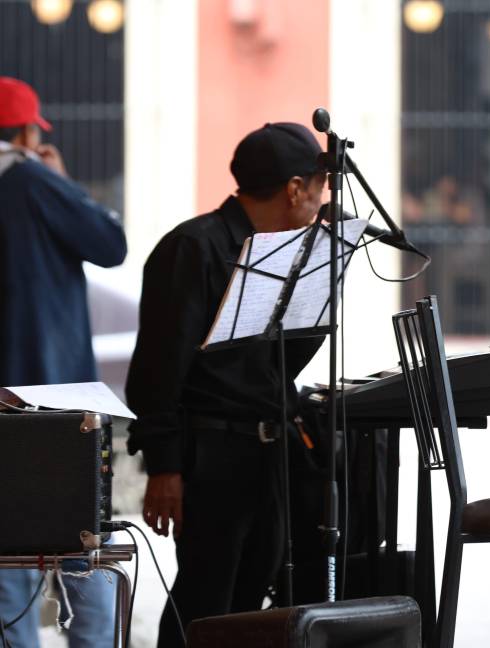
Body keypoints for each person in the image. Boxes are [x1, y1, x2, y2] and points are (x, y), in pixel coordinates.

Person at [125, 122, 326, 647]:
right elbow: (157, 369)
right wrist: (164, 466)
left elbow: (278, 365)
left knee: (254, 599)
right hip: (211, 452)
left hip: (268, 451)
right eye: (320, 186)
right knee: (205, 602)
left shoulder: (287, 254)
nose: (323, 200)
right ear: (295, 189)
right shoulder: (192, 247)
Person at [0, 76, 127, 648]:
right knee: (84, 551)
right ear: (27, 132)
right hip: (56, 396)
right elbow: (109, 243)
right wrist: (61, 181)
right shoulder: (31, 180)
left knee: (7, 556)